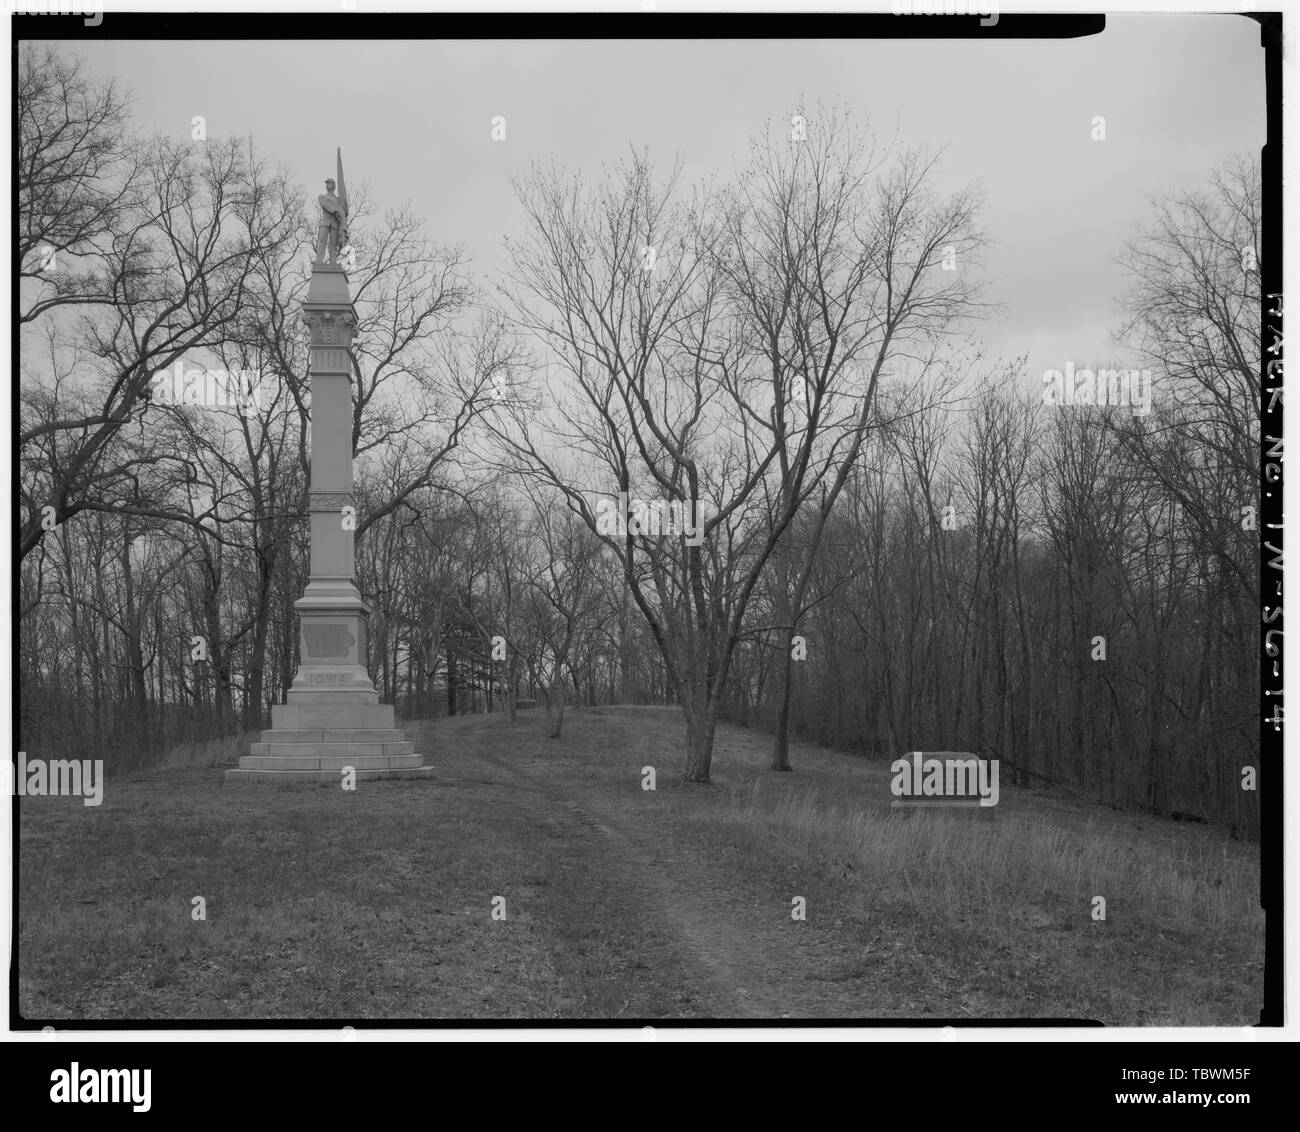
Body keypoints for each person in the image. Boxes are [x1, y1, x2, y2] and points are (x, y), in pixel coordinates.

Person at [314, 178, 347, 262]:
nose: (327, 185)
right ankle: (319, 260)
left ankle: (333, 261)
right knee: (322, 241)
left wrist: (343, 207)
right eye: (327, 183)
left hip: (335, 223)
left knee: (333, 244)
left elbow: (343, 210)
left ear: (334, 185)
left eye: (329, 183)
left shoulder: (338, 200)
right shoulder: (322, 197)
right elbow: (324, 205)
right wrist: (334, 211)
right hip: (325, 223)